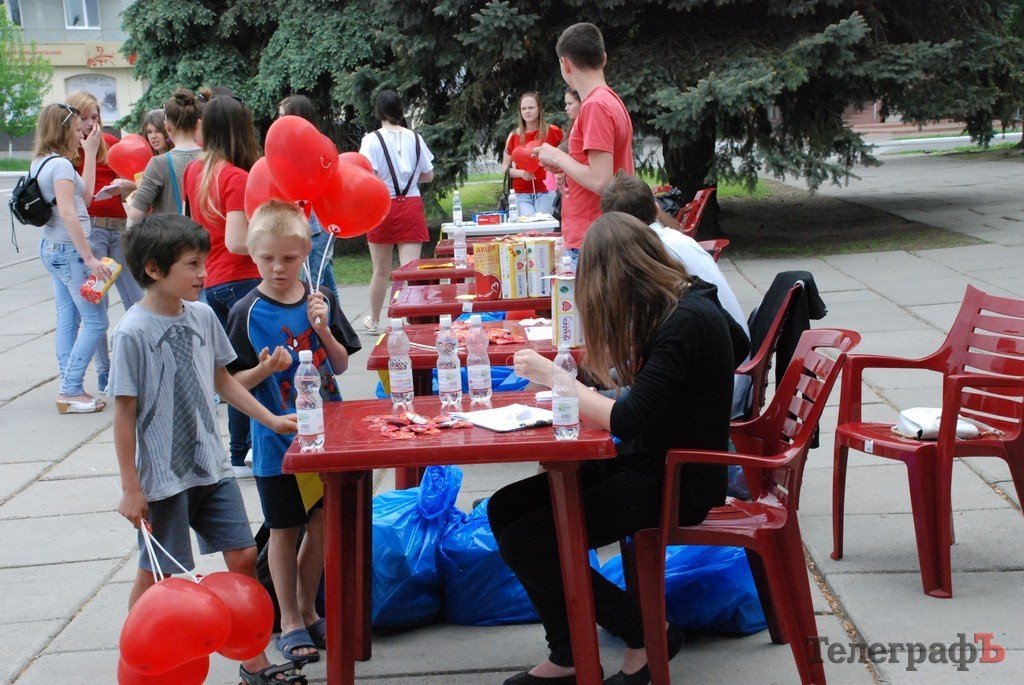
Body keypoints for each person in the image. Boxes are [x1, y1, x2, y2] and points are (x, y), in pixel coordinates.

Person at [491, 213, 749, 685]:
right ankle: (568, 652)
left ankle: (646, 635)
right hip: (651, 461)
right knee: (504, 507)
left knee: (530, 539)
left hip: (676, 481)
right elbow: (730, 346)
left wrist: (557, 379)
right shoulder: (686, 303)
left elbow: (626, 418)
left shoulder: (686, 322)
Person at [111, 214, 306, 685]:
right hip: (163, 478)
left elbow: (222, 381)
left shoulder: (201, 315)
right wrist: (131, 490)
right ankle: (136, 657)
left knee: (241, 558)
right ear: (155, 269)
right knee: (161, 576)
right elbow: (123, 416)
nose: (205, 274)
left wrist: (271, 418)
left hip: (210, 468)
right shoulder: (132, 332)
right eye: (193, 265)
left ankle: (253, 662)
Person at [226, 201, 360, 663]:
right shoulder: (246, 310)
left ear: (305, 252)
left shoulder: (319, 296)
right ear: (252, 253)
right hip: (276, 440)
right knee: (284, 529)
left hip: (328, 434)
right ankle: (288, 619)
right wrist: (263, 368)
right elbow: (227, 386)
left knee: (321, 524)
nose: (278, 268)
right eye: (268, 258)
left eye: (288, 258)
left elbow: (341, 364)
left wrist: (322, 329)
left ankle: (308, 609)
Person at [599, 171, 751, 418]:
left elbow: (631, 350)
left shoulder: (654, 257)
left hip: (715, 392)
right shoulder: (674, 241)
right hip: (729, 376)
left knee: (587, 405)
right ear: (657, 209)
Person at [183, 94, 262, 477]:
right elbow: (237, 240)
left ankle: (235, 453)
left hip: (212, 280)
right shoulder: (236, 176)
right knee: (249, 372)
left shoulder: (195, 171)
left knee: (228, 374)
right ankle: (243, 452)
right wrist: (276, 242)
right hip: (241, 279)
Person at [31, 102, 112, 414]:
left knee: (68, 318)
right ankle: (70, 389)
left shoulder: (41, 162)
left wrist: (89, 154)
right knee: (96, 320)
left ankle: (69, 385)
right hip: (70, 252)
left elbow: (85, 198)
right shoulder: (61, 167)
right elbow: (68, 212)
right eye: (78, 130)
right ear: (63, 129)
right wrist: (89, 257)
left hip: (50, 248)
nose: (83, 134)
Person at [65, 91, 144, 396]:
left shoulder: (110, 146)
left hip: (120, 229)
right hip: (93, 230)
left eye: (94, 117)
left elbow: (137, 183)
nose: (89, 125)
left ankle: (135, 364)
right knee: (97, 303)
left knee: (136, 298)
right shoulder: (71, 151)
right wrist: (88, 150)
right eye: (83, 118)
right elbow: (78, 196)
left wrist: (126, 187)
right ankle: (104, 371)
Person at [534, 23, 634, 259]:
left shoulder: (595, 106)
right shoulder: (610, 100)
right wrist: (566, 163)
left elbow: (602, 181)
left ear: (565, 64)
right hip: (606, 232)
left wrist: (558, 155)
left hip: (596, 237)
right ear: (604, 58)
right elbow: (600, 167)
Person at [358, 89, 435, 334]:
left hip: (382, 205)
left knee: (380, 271)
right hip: (411, 203)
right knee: (409, 270)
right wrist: (409, 181)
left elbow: (365, 174)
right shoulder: (415, 138)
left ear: (378, 111)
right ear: (400, 110)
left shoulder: (371, 140)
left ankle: (376, 319)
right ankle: (409, 317)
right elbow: (429, 174)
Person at [277, 94, 340, 302]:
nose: (278, 122)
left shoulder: (316, 147)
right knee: (324, 277)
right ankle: (338, 323)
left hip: (319, 222)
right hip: (305, 220)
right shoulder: (286, 148)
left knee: (314, 279)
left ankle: (326, 325)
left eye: (283, 116)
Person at [128, 88, 205, 220]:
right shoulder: (214, 159)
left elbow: (135, 215)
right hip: (208, 237)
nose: (153, 136)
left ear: (167, 126)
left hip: (173, 237)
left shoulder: (158, 163)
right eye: (149, 132)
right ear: (198, 125)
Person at [501, 92, 563, 216]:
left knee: (544, 230)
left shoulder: (553, 131)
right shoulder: (514, 135)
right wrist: (522, 174)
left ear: (539, 109)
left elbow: (569, 152)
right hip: (520, 194)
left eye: (531, 108)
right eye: (523, 108)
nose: (527, 111)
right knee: (528, 230)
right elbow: (505, 168)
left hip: (547, 191)